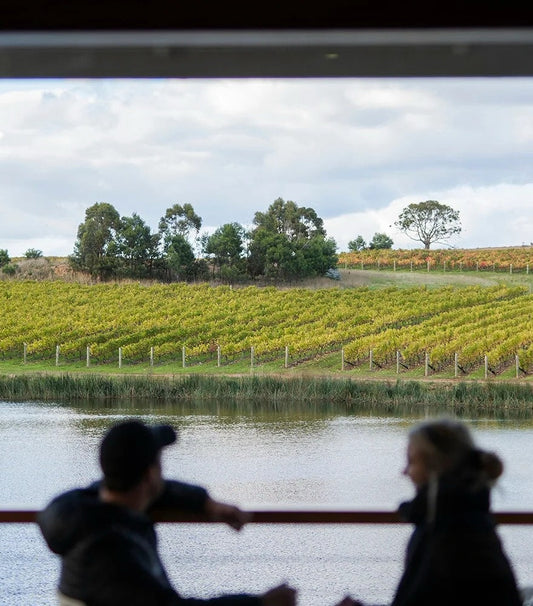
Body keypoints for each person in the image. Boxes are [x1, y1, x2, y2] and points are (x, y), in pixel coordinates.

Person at [38, 419, 297, 606]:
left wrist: (204, 503)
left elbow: (159, 490)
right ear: (150, 475)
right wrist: (259, 603)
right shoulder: (116, 558)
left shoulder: (83, 509)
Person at [342, 418, 522, 606]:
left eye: (411, 461)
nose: (405, 472)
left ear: (435, 467)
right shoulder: (472, 519)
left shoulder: (443, 530)